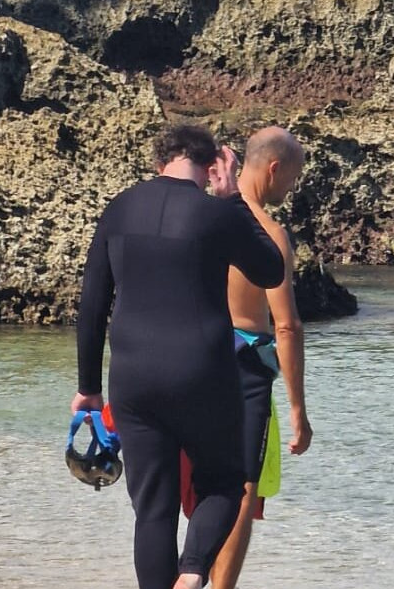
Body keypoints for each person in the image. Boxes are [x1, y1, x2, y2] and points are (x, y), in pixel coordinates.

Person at [71, 123, 285, 589]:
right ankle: (191, 574)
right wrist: (233, 200)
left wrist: (88, 387)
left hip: (133, 377)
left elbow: (91, 306)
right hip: (202, 371)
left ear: (158, 161)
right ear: (212, 168)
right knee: (225, 482)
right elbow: (271, 269)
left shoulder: (120, 209)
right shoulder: (216, 213)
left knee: (153, 510)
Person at [210, 126, 313, 589]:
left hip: (196, 355)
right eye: (291, 179)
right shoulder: (269, 234)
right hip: (245, 367)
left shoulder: (205, 216)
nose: (289, 189)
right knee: (242, 489)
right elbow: (287, 326)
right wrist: (298, 410)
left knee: (192, 482)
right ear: (274, 169)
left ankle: (183, 574)